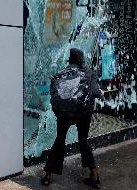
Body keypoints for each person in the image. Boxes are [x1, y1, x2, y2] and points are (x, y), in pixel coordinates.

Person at [41, 48, 102, 189]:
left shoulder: (63, 73)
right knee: (83, 142)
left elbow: (54, 92)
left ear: (70, 59)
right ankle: (95, 175)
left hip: (65, 114)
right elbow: (96, 93)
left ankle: (47, 175)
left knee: (60, 140)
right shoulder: (90, 73)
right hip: (83, 114)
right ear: (82, 59)